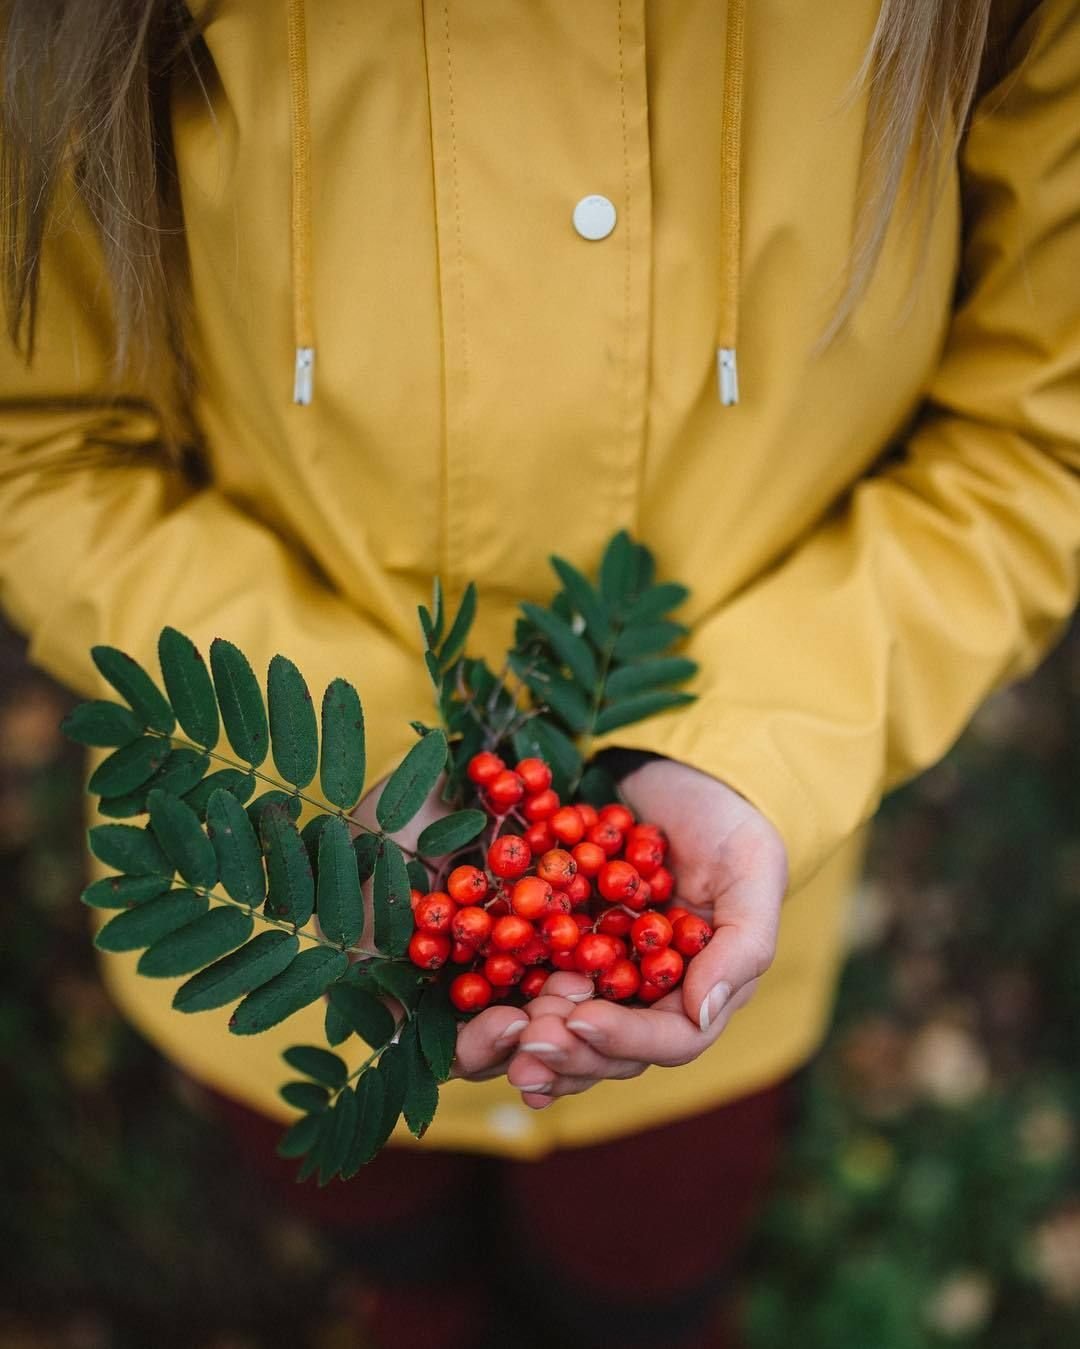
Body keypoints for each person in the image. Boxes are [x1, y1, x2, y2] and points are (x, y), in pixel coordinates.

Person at [2, 0, 1078, 1345]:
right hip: (284, 883)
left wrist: (752, 746)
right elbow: (36, 440)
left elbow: (1037, 439)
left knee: (647, 1274)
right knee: (385, 1227)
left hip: (715, 951)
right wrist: (357, 780)